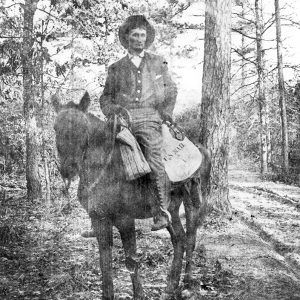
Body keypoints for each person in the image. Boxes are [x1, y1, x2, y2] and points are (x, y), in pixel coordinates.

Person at [98, 15, 177, 231]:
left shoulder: (158, 61)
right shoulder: (116, 68)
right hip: (122, 120)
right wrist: (113, 111)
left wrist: (165, 113)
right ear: (127, 38)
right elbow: (105, 98)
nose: (139, 39)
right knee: (102, 155)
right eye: (135, 35)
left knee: (154, 157)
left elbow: (171, 89)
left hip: (149, 118)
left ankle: (161, 212)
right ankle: (102, 211)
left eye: (142, 35)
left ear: (146, 38)